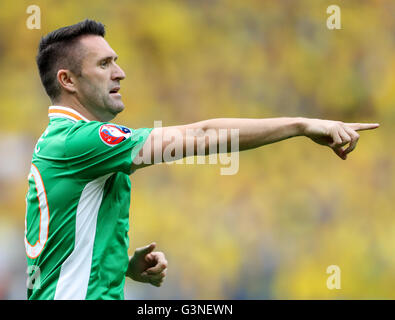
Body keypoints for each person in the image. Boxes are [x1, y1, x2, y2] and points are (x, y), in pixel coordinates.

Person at [25, 19, 379, 300]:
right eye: (104, 64)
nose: (120, 72)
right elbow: (202, 136)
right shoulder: (81, 142)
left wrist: (121, 266)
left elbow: (58, 252)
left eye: (116, 61)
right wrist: (301, 124)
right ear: (67, 80)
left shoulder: (61, 144)